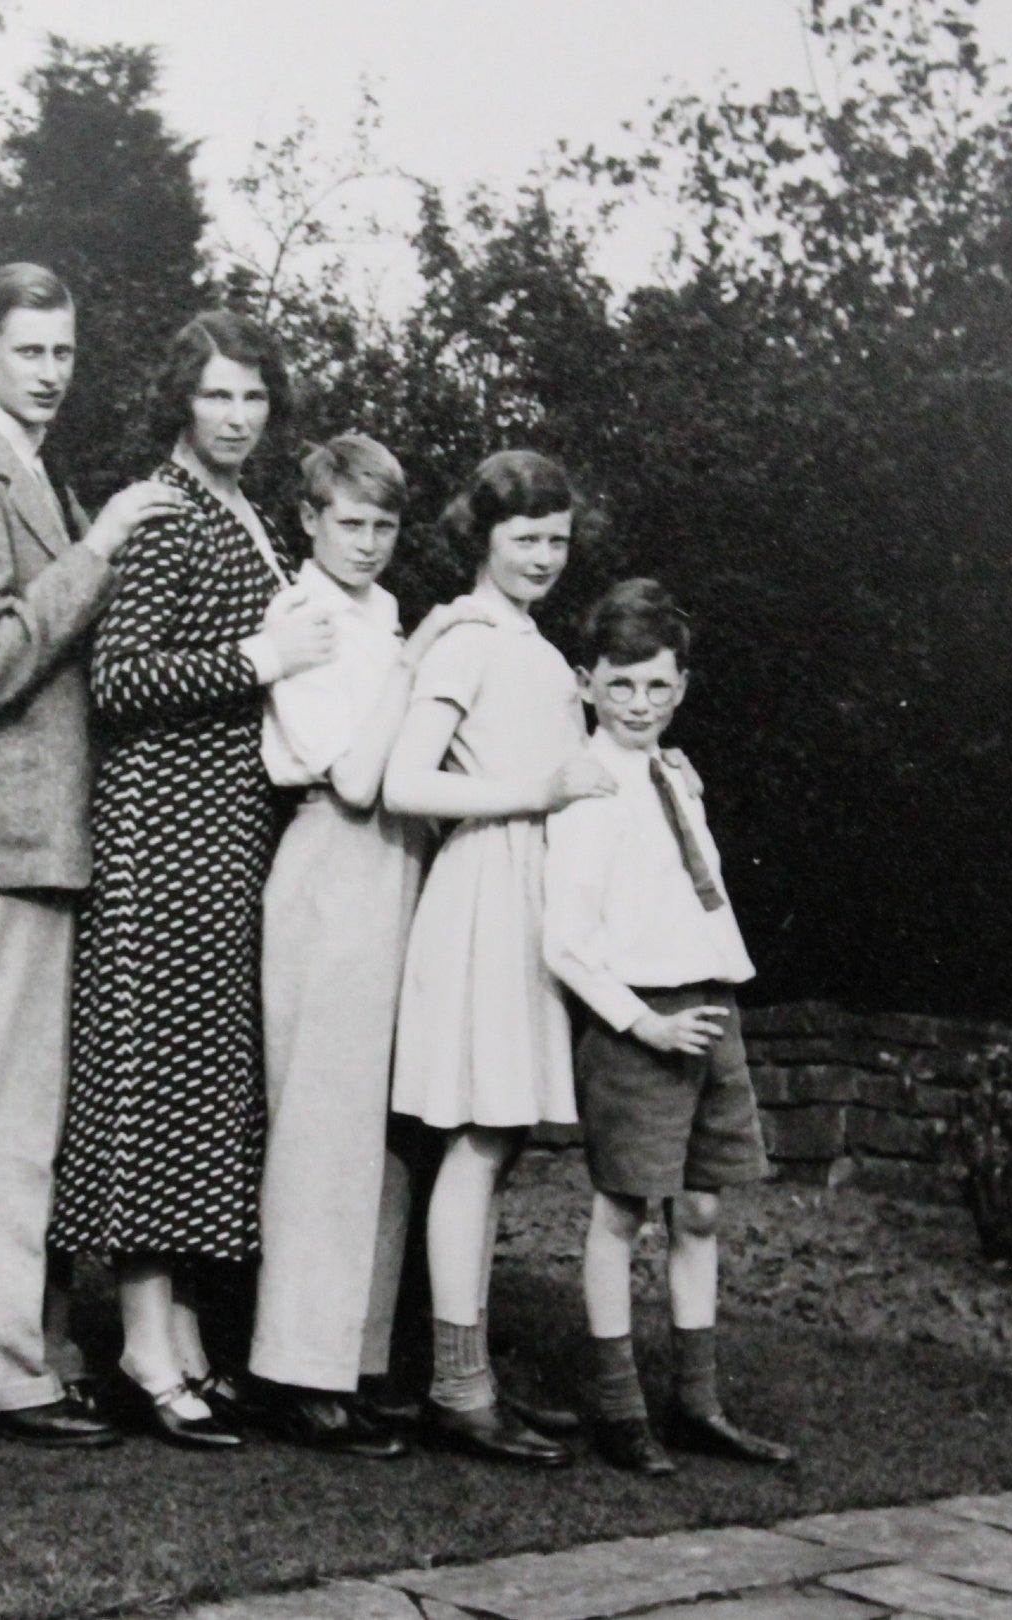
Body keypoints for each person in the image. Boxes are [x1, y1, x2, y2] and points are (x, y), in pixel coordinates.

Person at [50, 310, 336, 1449]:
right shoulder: (166, 512)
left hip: (226, 832)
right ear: (184, 400)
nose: (236, 416)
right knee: (150, 1085)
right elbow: (116, 680)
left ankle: (172, 1340)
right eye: (218, 395)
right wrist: (260, 660)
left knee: (196, 1082)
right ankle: (140, 1343)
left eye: (254, 398)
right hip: (158, 832)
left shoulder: (247, 513)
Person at [0, 263, 183, 1448]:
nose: (53, 373)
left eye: (66, 352)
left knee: (26, 1121)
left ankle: (32, 1356)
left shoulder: (31, 470)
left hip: (38, 840)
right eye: (31, 352)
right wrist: (105, 546)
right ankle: (0, 1377)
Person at [244, 435, 482, 1458]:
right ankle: (297, 1370)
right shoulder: (299, 615)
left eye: (386, 526)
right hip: (332, 855)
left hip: (399, 864)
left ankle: (361, 1358)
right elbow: (350, 774)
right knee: (320, 1127)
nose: (371, 543)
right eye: (352, 522)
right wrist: (417, 661)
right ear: (309, 518)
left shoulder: (382, 614)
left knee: (385, 1128)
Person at [381, 449, 612, 1468]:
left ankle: (466, 1373)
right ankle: (457, 1388)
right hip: (480, 896)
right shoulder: (468, 639)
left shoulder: (537, 648)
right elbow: (403, 783)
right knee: (477, 1139)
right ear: (481, 537)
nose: (544, 557)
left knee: (500, 1142)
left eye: (558, 540)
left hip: (531, 899)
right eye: (525, 538)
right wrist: (538, 794)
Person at [544, 579, 796, 1474]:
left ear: (681, 685)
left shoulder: (674, 775)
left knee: (700, 1208)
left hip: (710, 1007)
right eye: (621, 686)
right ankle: (619, 1411)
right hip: (640, 1021)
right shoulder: (585, 790)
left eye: (657, 686)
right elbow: (565, 947)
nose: (640, 704)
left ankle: (697, 1403)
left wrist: (699, 1014)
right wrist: (643, 1026)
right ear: (587, 684)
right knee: (622, 1211)